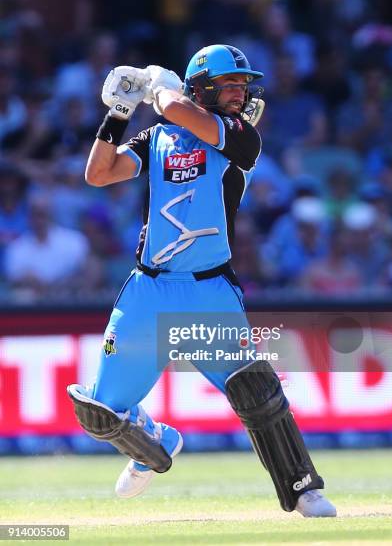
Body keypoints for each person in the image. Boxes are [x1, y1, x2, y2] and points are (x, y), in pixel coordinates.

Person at [67, 44, 336, 517]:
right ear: (203, 88)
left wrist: (156, 85)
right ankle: (155, 441)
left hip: (207, 290)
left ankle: (304, 490)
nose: (240, 93)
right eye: (230, 84)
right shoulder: (157, 138)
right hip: (148, 289)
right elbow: (98, 173)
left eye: (242, 85)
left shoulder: (240, 137)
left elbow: (173, 104)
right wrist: (119, 111)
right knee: (100, 411)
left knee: (255, 391)